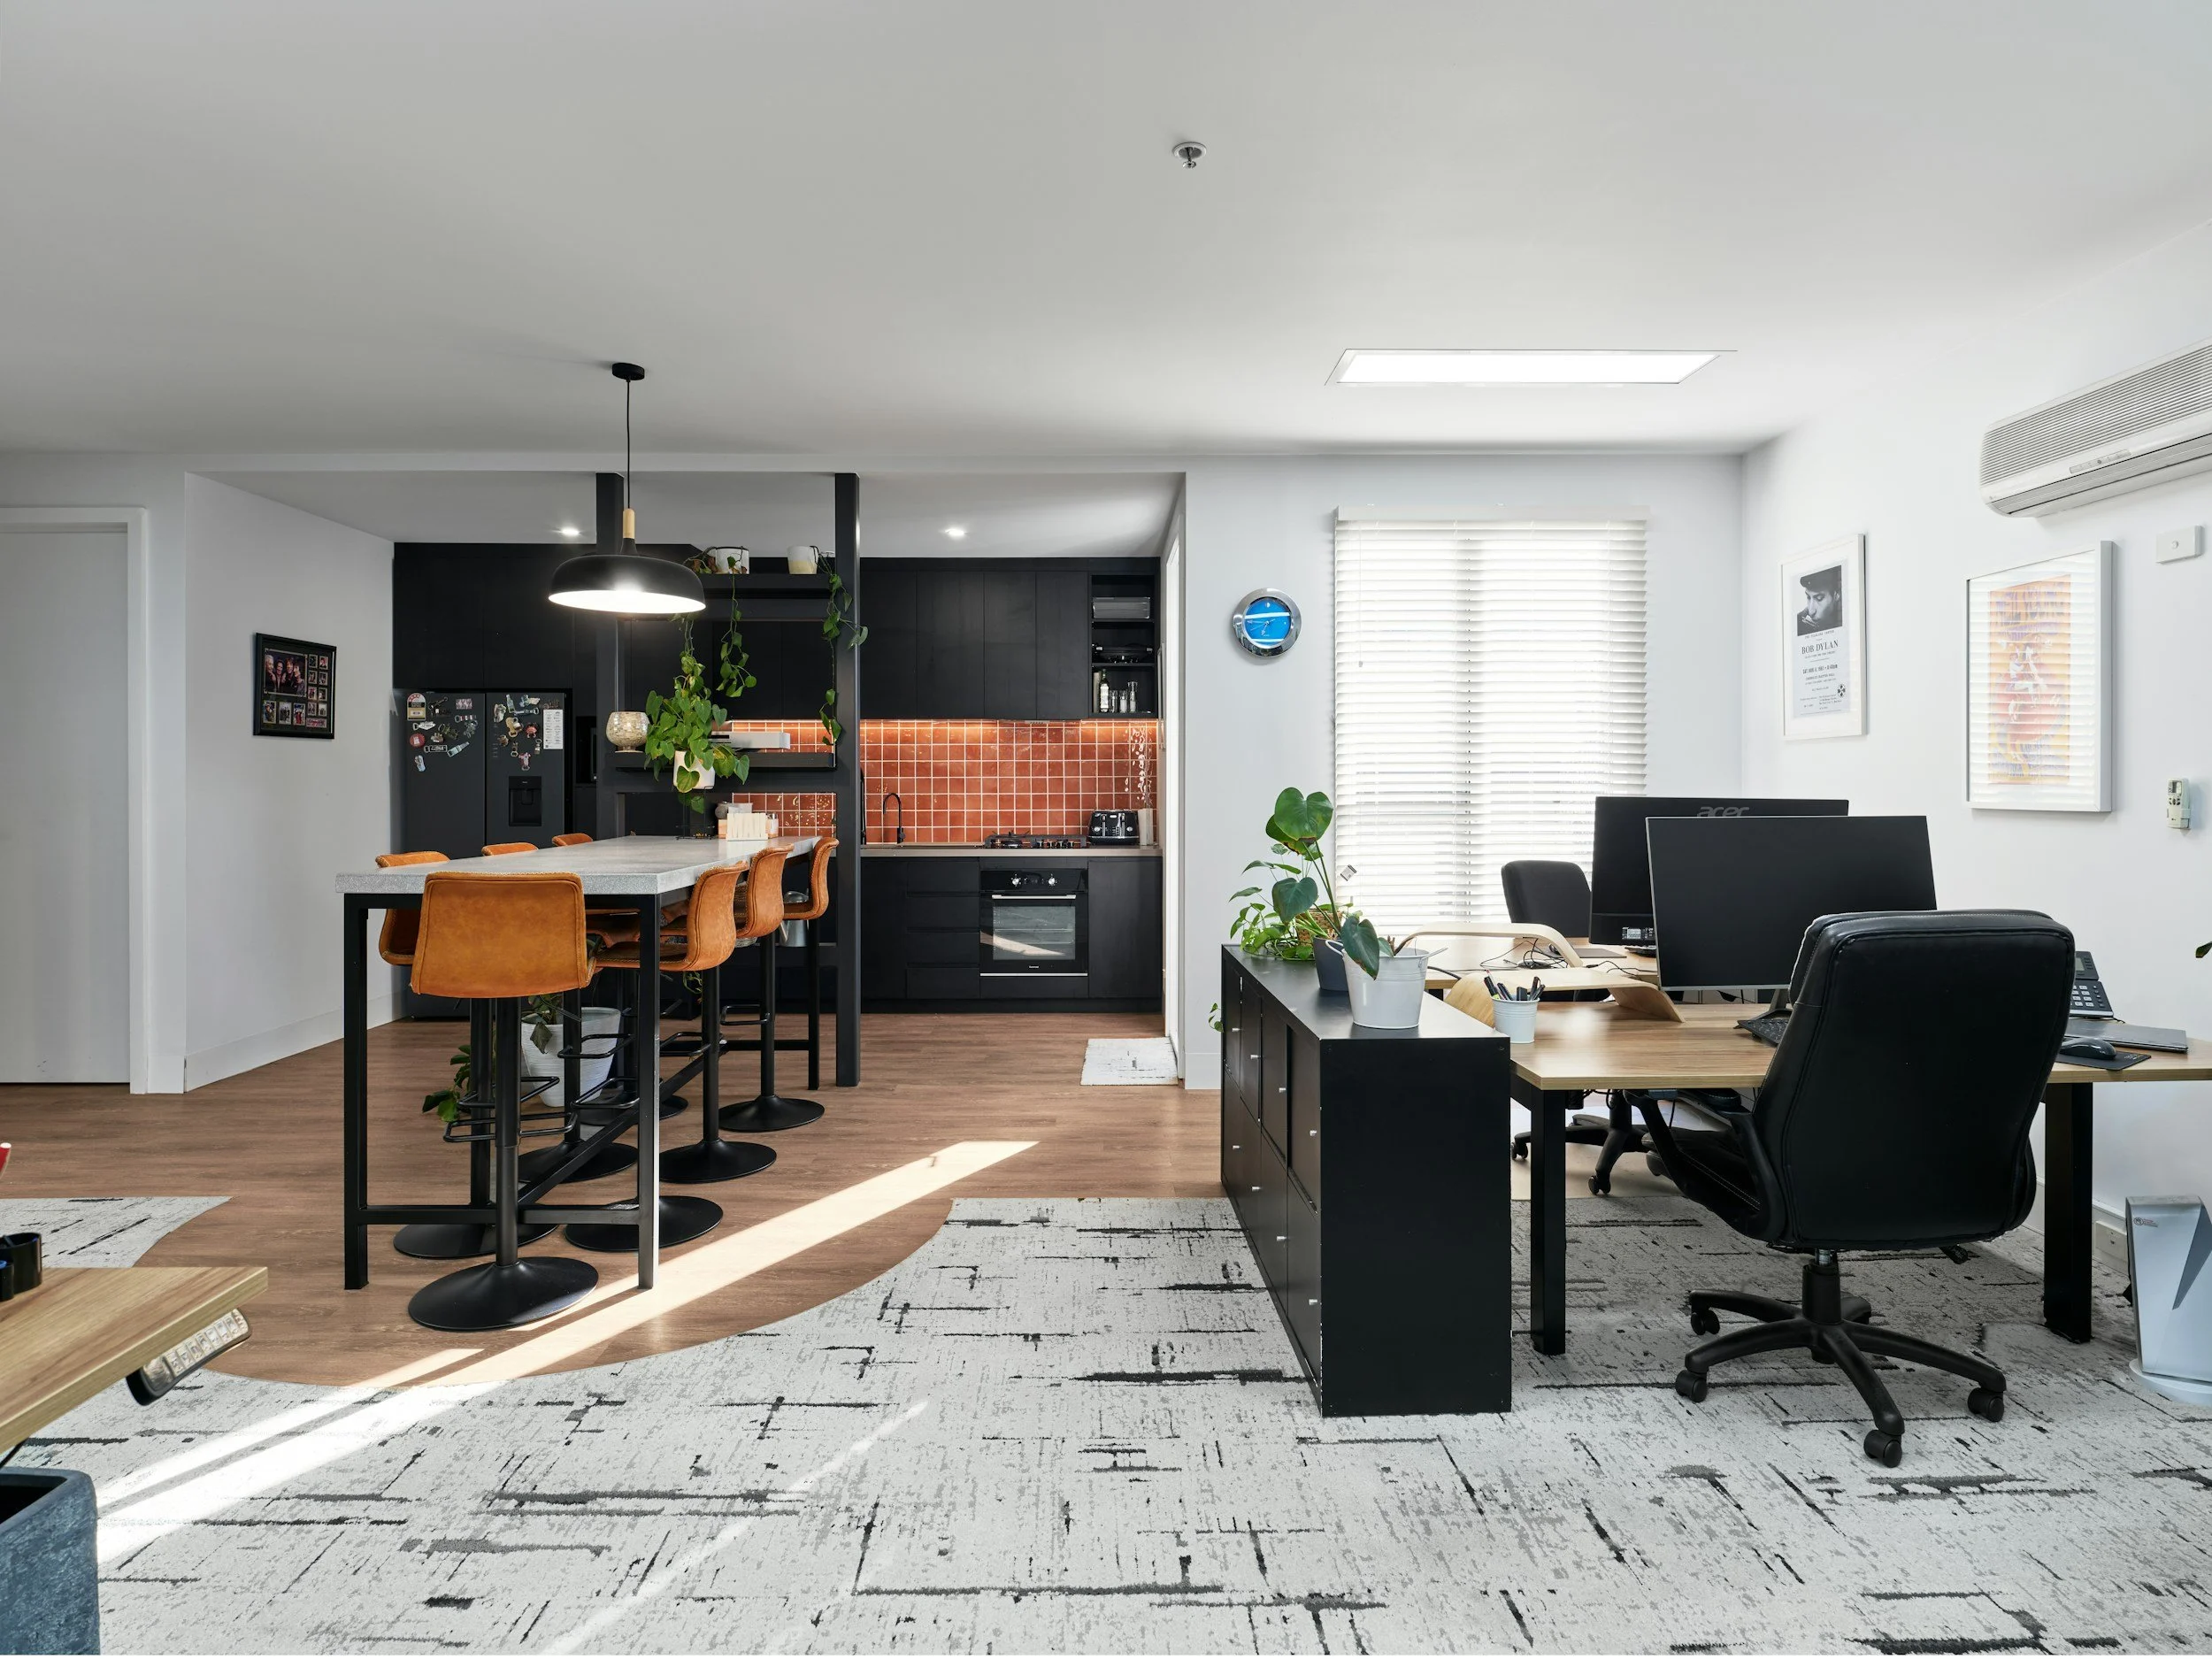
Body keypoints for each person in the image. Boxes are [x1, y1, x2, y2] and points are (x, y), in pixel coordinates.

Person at [1796, 566, 1842, 634]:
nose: (1811, 612)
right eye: (1808, 597)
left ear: (1837, 595)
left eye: (1819, 598)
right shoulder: (1799, 621)